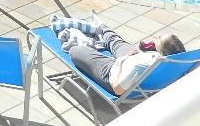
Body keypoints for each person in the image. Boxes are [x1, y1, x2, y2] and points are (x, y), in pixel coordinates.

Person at [52, 16, 185, 95]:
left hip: (112, 72)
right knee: (114, 40)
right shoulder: (175, 63)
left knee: (75, 50)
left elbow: (118, 89)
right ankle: (99, 26)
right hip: (134, 58)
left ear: (162, 49)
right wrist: (137, 55)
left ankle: (88, 34)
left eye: (159, 38)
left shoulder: (140, 67)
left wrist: (121, 61)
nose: (157, 37)